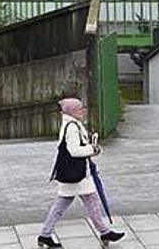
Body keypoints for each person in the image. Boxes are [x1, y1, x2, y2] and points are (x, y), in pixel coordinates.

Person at [37, 98, 124, 248]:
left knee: (63, 203)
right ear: (71, 111)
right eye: (79, 109)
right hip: (77, 174)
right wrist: (93, 149)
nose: (83, 111)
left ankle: (45, 235)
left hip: (72, 173)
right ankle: (104, 232)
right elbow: (74, 150)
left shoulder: (71, 124)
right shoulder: (72, 127)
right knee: (91, 201)